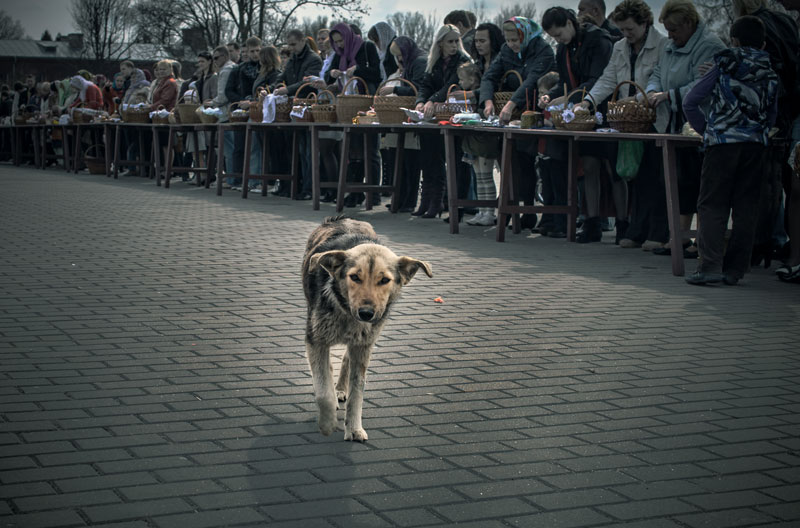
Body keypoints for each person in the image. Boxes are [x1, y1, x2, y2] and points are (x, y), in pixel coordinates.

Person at [682, 16, 778, 285]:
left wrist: (708, 130)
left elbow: (691, 101)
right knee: (747, 207)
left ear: (733, 41)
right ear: (764, 43)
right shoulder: (770, 72)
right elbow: (772, 115)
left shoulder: (724, 65)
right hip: (756, 146)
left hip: (722, 145)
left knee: (712, 205)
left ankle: (710, 266)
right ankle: (736, 269)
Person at [584, 0, 669, 247]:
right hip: (628, 122)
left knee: (656, 176)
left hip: (656, 120)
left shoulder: (663, 45)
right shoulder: (620, 47)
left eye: (630, 29)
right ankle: (636, 229)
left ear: (645, 23)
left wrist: (640, 98)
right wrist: (587, 102)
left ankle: (657, 232)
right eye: (622, 30)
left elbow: (660, 79)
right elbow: (608, 79)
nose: (626, 35)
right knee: (636, 175)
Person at [645, 0, 725, 256]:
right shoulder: (671, 46)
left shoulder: (709, 47)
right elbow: (658, 72)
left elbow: (702, 85)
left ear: (689, 24)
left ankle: (702, 240)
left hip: (700, 124)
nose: (670, 36)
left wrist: (668, 95)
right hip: (674, 124)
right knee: (678, 181)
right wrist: (651, 91)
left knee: (699, 184)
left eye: (674, 30)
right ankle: (679, 237)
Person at [540, 7, 613, 243]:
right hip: (576, 117)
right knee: (587, 166)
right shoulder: (564, 48)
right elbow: (562, 80)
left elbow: (599, 78)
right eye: (554, 37)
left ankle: (617, 220)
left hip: (602, 111)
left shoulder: (598, 39)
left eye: (559, 33)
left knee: (613, 170)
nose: (558, 39)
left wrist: (571, 97)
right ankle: (590, 220)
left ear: (570, 23)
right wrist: (551, 96)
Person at [414, 24, 472, 218]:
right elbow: (425, 85)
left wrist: (431, 100)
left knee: (454, 162)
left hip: (454, 115)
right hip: (435, 115)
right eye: (450, 41)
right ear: (440, 44)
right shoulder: (435, 62)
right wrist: (421, 101)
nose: (454, 45)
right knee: (428, 158)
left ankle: (445, 202)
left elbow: (451, 84)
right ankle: (428, 200)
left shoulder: (462, 61)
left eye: (457, 41)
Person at [325, 22, 382, 206]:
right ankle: (356, 192)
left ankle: (374, 193)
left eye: (341, 40)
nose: (339, 45)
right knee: (354, 151)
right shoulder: (339, 54)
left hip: (366, 106)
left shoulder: (366, 47)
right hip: (349, 108)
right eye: (336, 42)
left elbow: (377, 74)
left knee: (370, 149)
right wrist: (333, 73)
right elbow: (328, 77)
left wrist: (358, 69)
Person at [225, 36, 262, 189]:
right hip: (241, 109)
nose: (253, 54)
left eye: (257, 51)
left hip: (256, 108)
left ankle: (254, 180)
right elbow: (229, 90)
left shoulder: (264, 68)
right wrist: (240, 101)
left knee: (255, 147)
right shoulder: (239, 70)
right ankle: (236, 178)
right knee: (239, 146)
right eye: (250, 51)